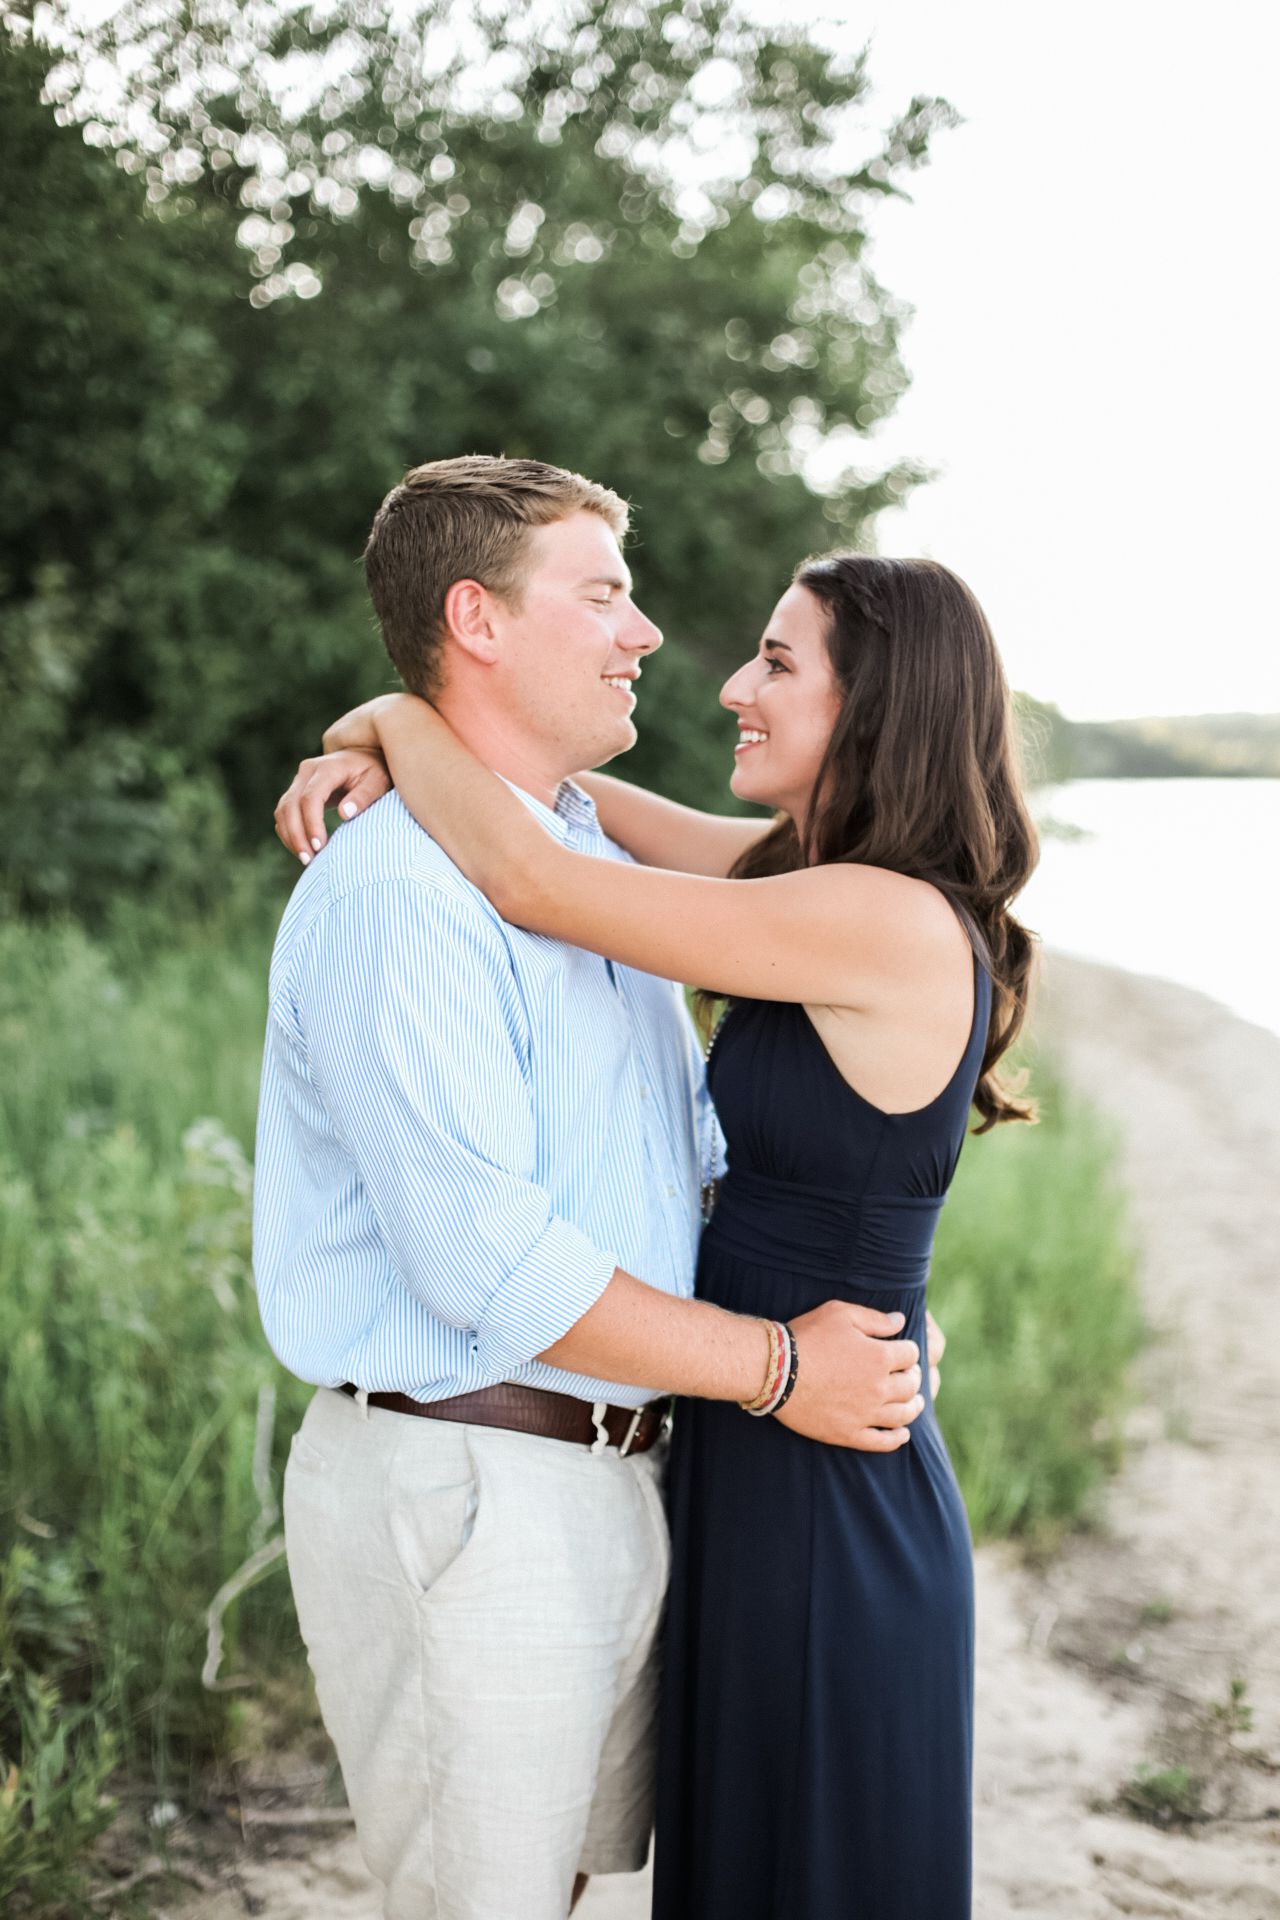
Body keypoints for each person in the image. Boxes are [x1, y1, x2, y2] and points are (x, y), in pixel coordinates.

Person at [283, 541, 1038, 1920]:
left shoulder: (872, 917)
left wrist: (395, 720)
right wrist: (443, 751)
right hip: (752, 1447)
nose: (737, 685)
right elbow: (573, 814)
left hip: (818, 1485)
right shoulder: (798, 875)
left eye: (779, 662)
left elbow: (541, 880)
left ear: (876, 704)